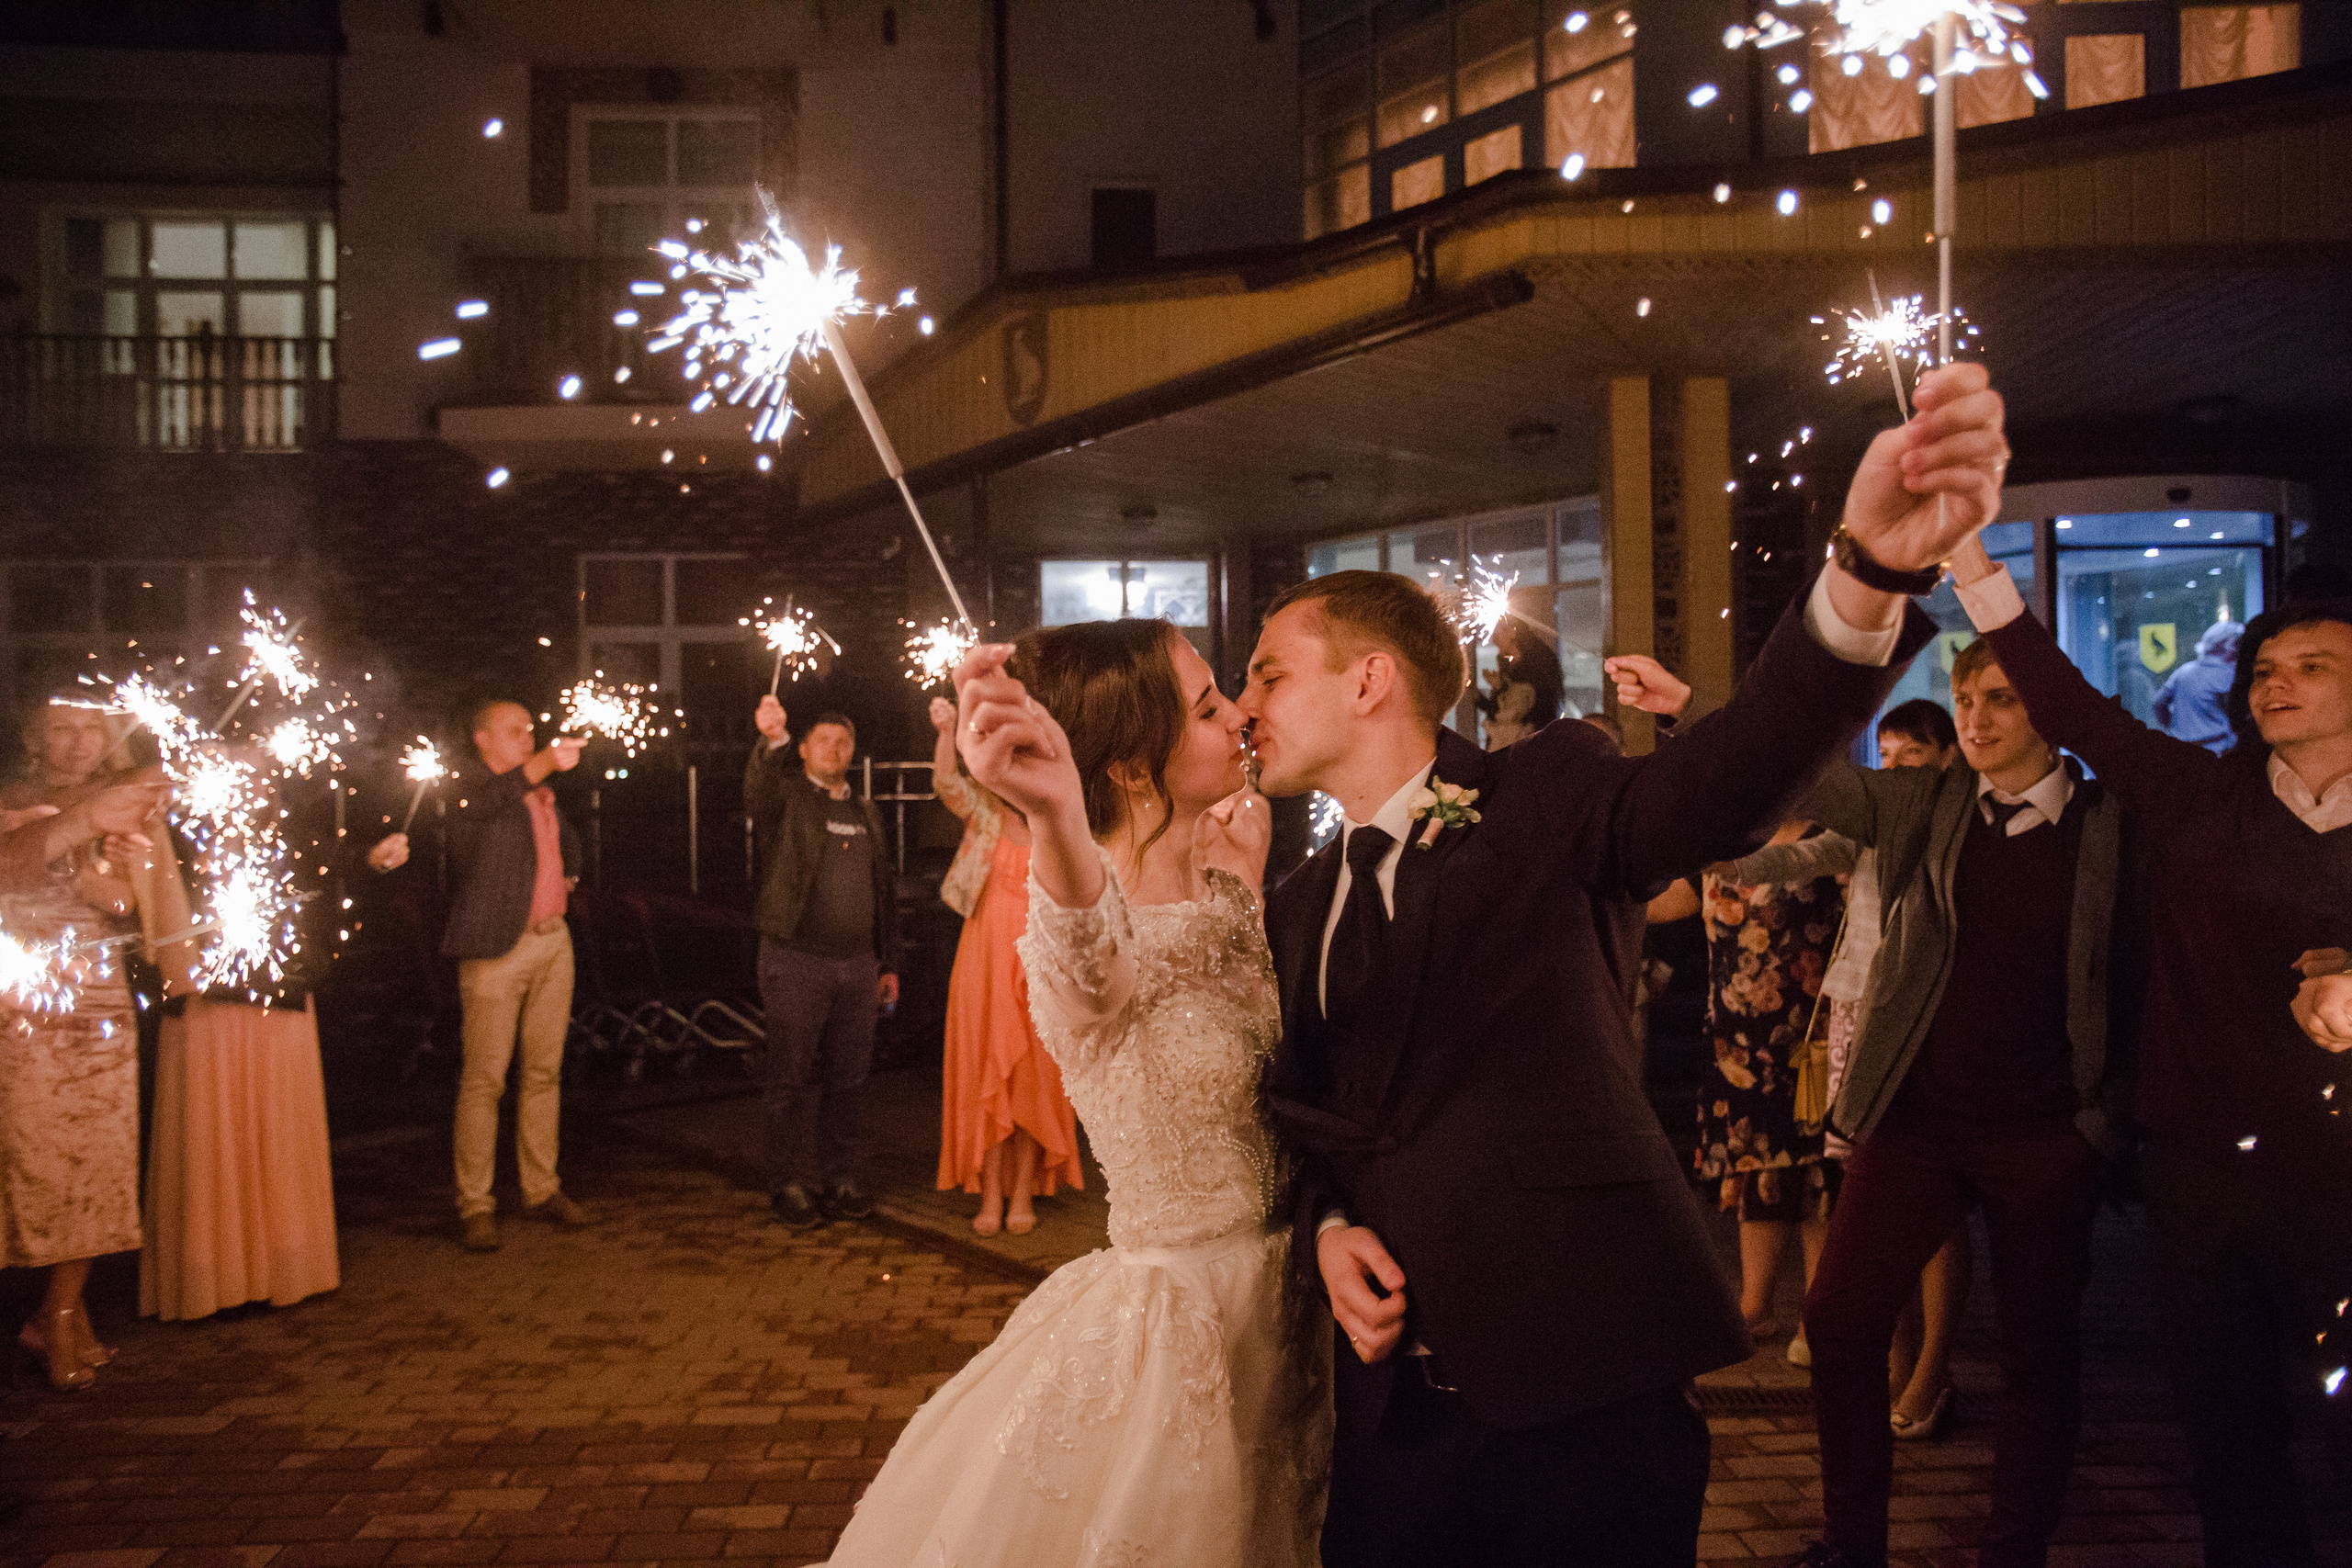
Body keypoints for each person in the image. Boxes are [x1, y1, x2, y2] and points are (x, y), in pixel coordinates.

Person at [1247, 360, 2007, 1567]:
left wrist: (1865, 577)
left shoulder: (1539, 789)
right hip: (1390, 1421)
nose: (1246, 705)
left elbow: (1727, 782)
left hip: (1585, 1389)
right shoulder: (1297, 902)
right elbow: (1313, 1115)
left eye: (1268, 673)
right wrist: (1331, 1221)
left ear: (1369, 677)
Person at [819, 619, 1328, 1565]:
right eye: (1211, 708)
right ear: (1135, 768)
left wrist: (1246, 881)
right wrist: (1051, 814)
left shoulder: (1228, 877)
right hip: (1185, 1332)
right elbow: (1085, 956)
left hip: (1297, 1305)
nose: (1240, 719)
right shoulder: (1086, 932)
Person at [1951, 541, 2352, 1567]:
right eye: (2264, 671)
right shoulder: (2199, 793)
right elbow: (2073, 708)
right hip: (2202, 1162)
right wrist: (1973, 567)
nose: (2277, 684)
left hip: (2342, 1173)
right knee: (2225, 1425)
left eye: (2312, 668)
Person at [1792, 633, 2133, 1568]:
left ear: (2051, 711)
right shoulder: (1935, 803)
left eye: (2001, 701)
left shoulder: (2108, 826)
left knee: (2037, 1352)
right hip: (1918, 1119)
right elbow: (1816, 785)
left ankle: (2011, 1548)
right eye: (1965, 699)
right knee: (1838, 1318)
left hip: (2045, 1132)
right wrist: (1683, 710)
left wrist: (2097, 1124)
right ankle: (1850, 1541)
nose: (1976, 720)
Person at [1711, 697, 1975, 1433]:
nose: (1895, 771)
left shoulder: (1960, 823)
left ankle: (1932, 1364)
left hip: (1925, 1014)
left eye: (1911, 757)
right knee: (1869, 1184)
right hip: (1854, 1009)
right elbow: (1808, 853)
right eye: (1886, 758)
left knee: (1932, 1193)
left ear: (1949, 757)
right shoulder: (1873, 821)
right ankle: (1893, 1351)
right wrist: (1734, 863)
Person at [370, 702, 590, 1252]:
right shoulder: (472, 795)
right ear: (483, 740)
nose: (529, 737)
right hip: (496, 951)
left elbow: (566, 842)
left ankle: (541, 1189)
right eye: (516, 731)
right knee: (485, 1080)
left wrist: (572, 870)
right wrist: (540, 767)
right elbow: (493, 804)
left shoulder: (536, 793)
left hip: (552, 944)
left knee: (543, 1073)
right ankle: (476, 1202)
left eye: (531, 729)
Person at [0, 700, 170, 1390]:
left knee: (98, 1157)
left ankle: (62, 1310)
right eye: (63, 728)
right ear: (36, 736)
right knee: (37, 1154)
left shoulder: (120, 801)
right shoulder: (10, 799)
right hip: (26, 993)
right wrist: (66, 836)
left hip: (97, 998)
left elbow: (124, 903)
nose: (78, 742)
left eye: (91, 729)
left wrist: (104, 865)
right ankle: (53, 1314)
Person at [141, 750, 342, 1322]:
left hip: (278, 1001)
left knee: (275, 1127)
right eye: (236, 768)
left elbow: (325, 905)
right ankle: (215, 1275)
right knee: (214, 1129)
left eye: (260, 771)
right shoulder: (172, 832)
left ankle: (285, 1263)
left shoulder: (295, 835)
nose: (251, 781)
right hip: (205, 1008)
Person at [1651, 823, 1845, 1364]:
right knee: (1752, 1167)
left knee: (1815, 1173)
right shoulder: (1722, 840)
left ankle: (1816, 1313)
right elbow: (1664, 901)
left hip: (1810, 1036)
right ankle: (1754, 1303)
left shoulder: (1830, 839)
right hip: (1737, 1042)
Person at [926, 694, 1082, 1236]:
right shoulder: (985, 812)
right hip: (984, 961)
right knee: (987, 1075)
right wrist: (947, 730)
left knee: (1033, 1080)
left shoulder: (1054, 821)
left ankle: (1022, 1196)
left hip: (1041, 962)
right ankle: (988, 1195)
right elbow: (947, 782)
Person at [745, 699, 899, 1231]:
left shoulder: (865, 810)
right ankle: (786, 1184)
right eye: (826, 741)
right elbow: (758, 789)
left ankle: (839, 1180)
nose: (838, 749)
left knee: (848, 1080)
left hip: (858, 966)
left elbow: (884, 891)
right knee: (788, 1079)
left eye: (845, 742)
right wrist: (773, 741)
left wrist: (887, 961)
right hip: (796, 961)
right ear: (806, 749)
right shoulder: (787, 801)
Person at [2151, 617, 2244, 754]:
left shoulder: (2183, 671)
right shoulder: (2230, 675)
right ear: (2230, 647)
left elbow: (2157, 703)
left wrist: (2171, 725)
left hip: (2179, 753)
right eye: (2239, 645)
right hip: (2217, 753)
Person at [1475, 615, 1565, 749]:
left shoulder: (1537, 668)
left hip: (1526, 748)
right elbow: (1497, 712)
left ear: (1512, 631)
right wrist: (1479, 695)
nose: (1494, 641)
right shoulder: (1507, 666)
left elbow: (1529, 714)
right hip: (1506, 746)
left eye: (1497, 636)